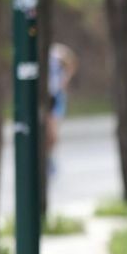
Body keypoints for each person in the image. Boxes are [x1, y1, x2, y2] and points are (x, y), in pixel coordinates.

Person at [45, 43, 77, 177]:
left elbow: (72, 61)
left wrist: (65, 79)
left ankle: (49, 158)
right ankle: (46, 159)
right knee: (49, 131)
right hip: (45, 97)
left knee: (53, 134)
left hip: (56, 97)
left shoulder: (56, 52)